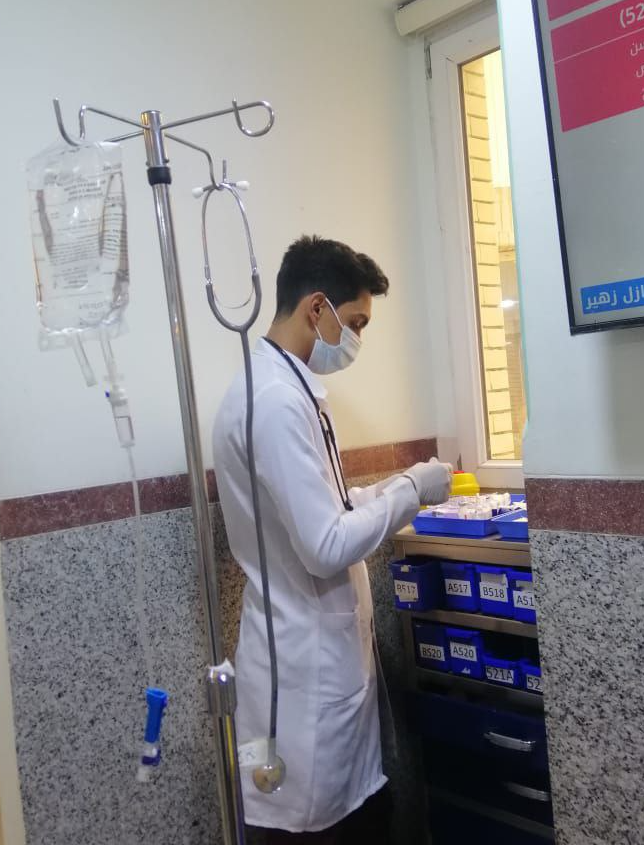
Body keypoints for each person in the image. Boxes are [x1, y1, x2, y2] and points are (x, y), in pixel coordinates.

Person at [213, 235, 452, 843]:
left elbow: (331, 510)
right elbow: (324, 546)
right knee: (319, 828)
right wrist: (410, 492)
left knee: (354, 814)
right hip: (302, 683)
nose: (356, 342)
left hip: (317, 668)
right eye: (355, 323)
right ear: (316, 308)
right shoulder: (273, 402)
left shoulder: (289, 390)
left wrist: (395, 486)